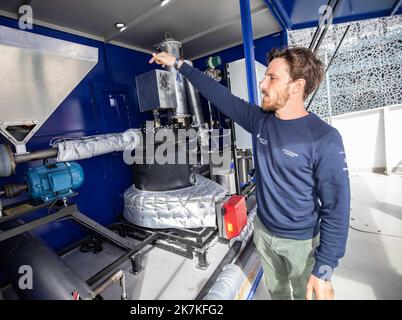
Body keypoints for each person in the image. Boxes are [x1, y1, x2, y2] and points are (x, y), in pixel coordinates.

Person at [149, 47, 350, 300]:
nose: (262, 83)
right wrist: (178, 64)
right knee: (277, 293)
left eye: (272, 78)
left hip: (302, 244)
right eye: (265, 76)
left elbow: (337, 208)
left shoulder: (324, 138)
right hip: (264, 233)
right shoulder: (261, 121)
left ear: (297, 86)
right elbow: (220, 95)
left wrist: (324, 269)